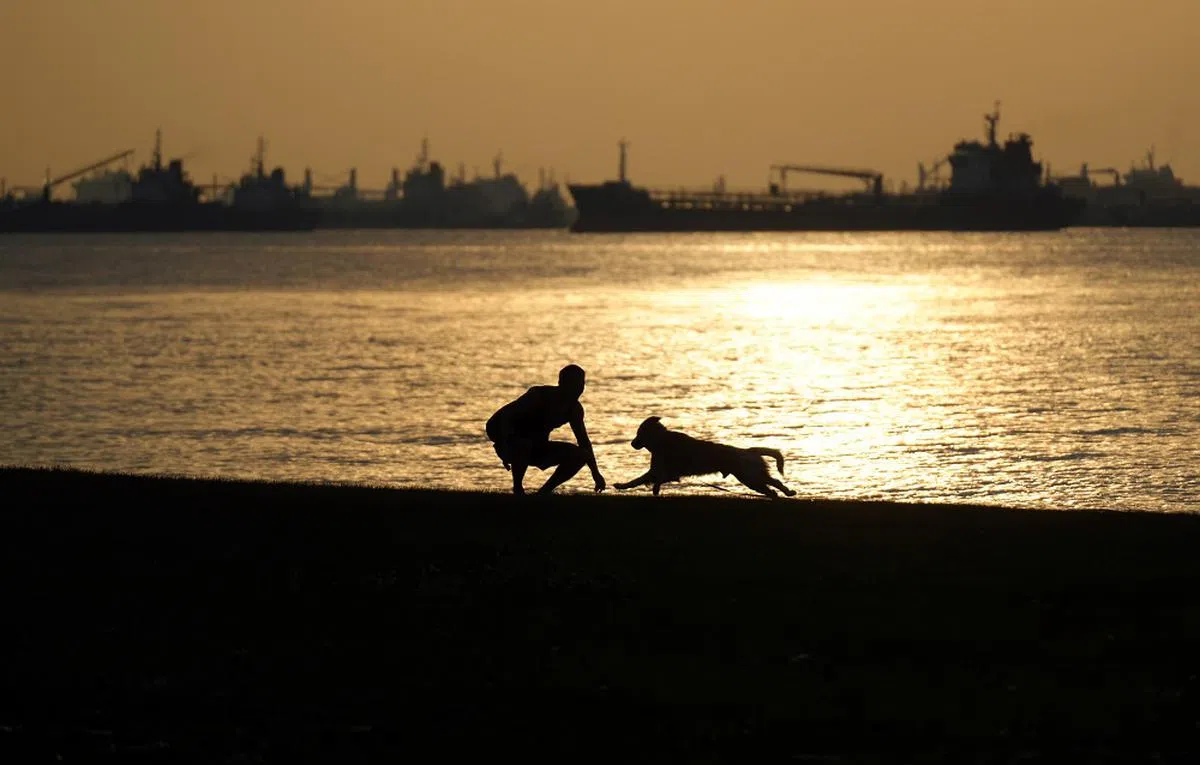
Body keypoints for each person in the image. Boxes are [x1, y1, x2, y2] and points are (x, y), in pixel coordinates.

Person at [486, 364, 606, 495]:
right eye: (574, 384)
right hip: (508, 439)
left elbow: (584, 441)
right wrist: (503, 443)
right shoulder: (538, 395)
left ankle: (542, 494)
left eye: (581, 384)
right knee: (523, 443)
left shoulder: (574, 410)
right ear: (561, 383)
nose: (579, 389)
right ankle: (518, 489)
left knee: (580, 455)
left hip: (537, 446)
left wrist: (595, 473)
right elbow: (505, 417)